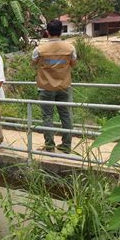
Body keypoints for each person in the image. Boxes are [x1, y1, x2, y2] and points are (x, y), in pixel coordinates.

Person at [32, 19, 77, 153]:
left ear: (47, 32)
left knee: (47, 116)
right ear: (61, 31)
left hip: (45, 88)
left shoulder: (39, 49)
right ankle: (66, 145)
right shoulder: (70, 48)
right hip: (64, 86)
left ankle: (50, 145)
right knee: (66, 116)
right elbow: (74, 64)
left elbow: (33, 63)